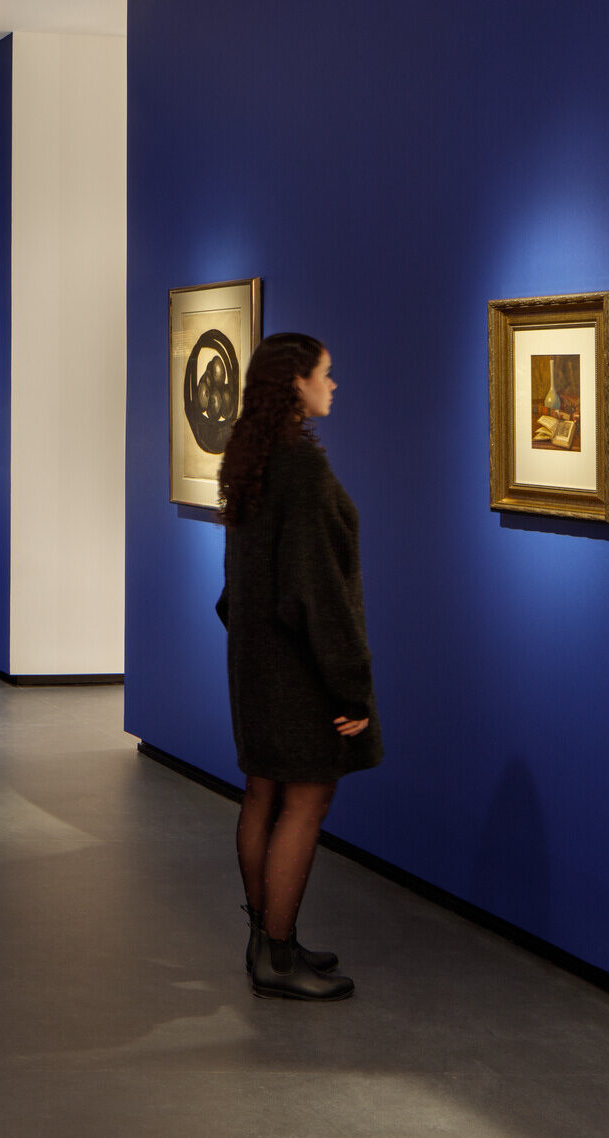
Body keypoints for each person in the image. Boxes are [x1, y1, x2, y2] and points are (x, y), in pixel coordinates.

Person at [214, 333, 380, 1001]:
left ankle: (264, 939)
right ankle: (278, 959)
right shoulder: (302, 469)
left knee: (261, 795)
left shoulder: (250, 457)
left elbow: (240, 583)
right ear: (295, 384)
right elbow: (314, 591)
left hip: (254, 659)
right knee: (306, 802)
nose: (333, 385)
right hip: (297, 666)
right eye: (326, 374)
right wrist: (350, 686)